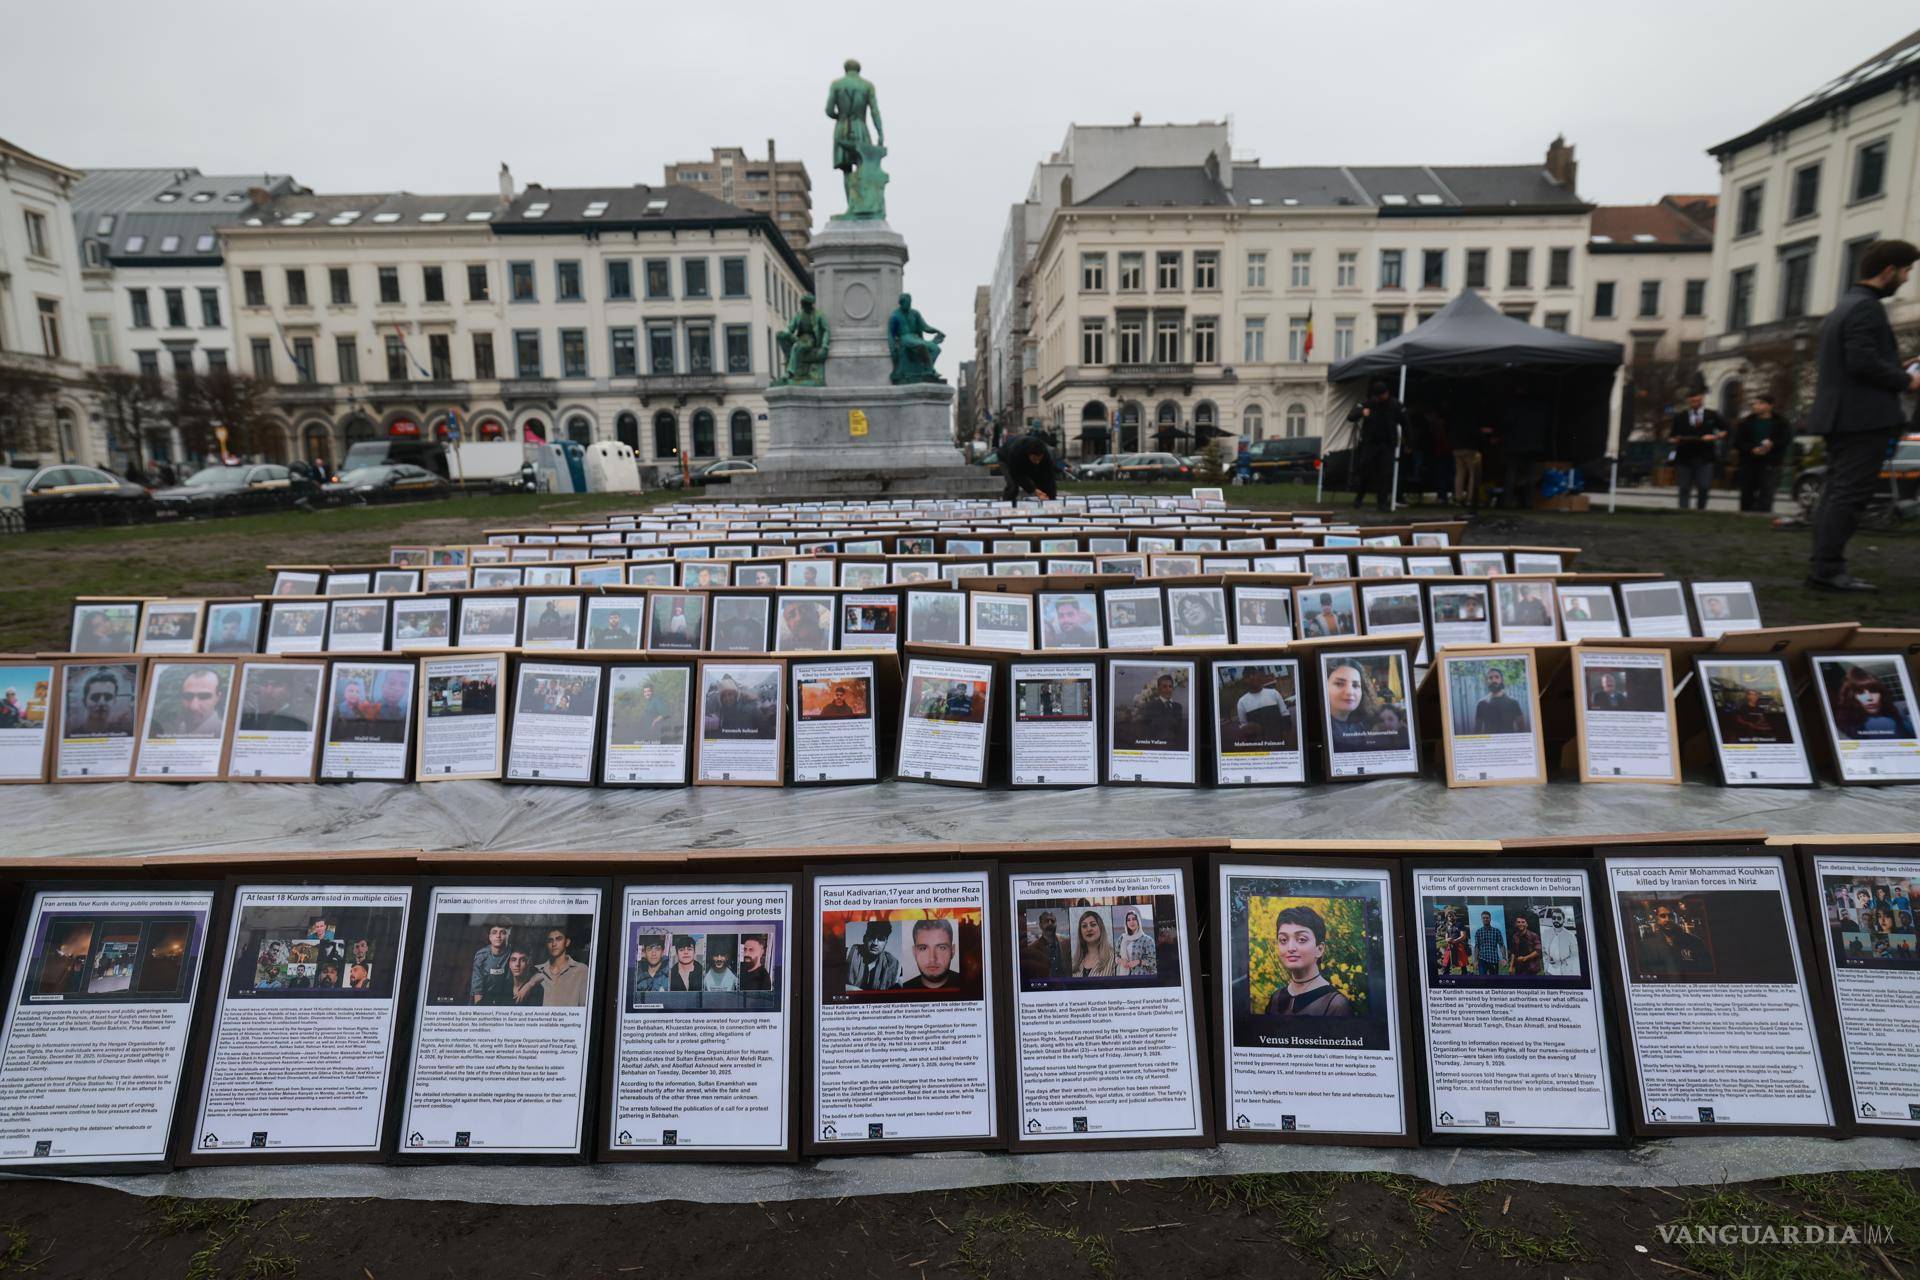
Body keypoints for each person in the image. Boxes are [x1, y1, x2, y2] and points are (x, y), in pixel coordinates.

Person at [1805, 240, 1920, 591]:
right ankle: (1828, 570)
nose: (1906, 278)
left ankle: (1824, 567)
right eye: (1906, 271)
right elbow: (1861, 362)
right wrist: (1907, 380)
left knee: (1837, 492)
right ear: (1888, 271)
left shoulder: (1845, 306)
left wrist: (1894, 369)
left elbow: (1854, 360)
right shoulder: (1866, 309)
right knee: (1849, 495)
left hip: (1843, 416)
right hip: (1862, 418)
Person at [1265, 905, 1354, 1016]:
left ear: (1320, 949)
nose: (1290, 948)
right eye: (1283, 940)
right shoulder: (1276, 998)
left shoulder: (1335, 1004)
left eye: (1301, 939)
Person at [1734, 392, 1794, 513]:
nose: (1756, 406)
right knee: (1747, 492)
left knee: (1767, 491)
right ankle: (1745, 515)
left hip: (1770, 462)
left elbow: (1785, 440)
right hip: (1749, 462)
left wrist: (1772, 445)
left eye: (1760, 403)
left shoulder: (1781, 423)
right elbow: (1738, 442)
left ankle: (1763, 516)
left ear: (1769, 406)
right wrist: (1752, 449)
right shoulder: (1746, 422)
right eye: (1755, 403)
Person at [1668, 391, 1728, 511]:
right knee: (1684, 487)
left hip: (1704, 456)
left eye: (1697, 400)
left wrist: (1714, 437)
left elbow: (1725, 430)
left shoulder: (1712, 415)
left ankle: (1701, 509)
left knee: (1704, 486)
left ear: (1702, 400)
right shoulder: (1680, 417)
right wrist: (1676, 440)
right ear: (1689, 401)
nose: (1695, 403)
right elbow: (1672, 436)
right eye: (1692, 400)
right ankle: (1683, 510)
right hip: (1684, 456)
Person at [1353, 380, 1403, 512]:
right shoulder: (1368, 404)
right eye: (1378, 396)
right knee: (1365, 472)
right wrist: (1362, 413)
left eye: (1383, 395)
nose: (1381, 398)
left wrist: (1408, 441)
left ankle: (1382, 503)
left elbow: (1405, 422)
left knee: (1385, 474)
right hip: (1370, 444)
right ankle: (1359, 498)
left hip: (1387, 445)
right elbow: (1351, 416)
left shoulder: (1394, 404)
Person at [1833, 666, 1914, 739]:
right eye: (1861, 693)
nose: (1869, 698)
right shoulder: (1845, 726)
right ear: (1851, 697)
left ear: (1882, 693)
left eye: (1873, 691)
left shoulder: (1898, 713)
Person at [1637, 904, 1708, 975]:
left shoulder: (1695, 942)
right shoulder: (1648, 945)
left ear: (1676, 918)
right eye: (1663, 916)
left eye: (1671, 916)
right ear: (1657, 919)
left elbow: (1705, 968)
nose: (1667, 919)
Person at [240, 667, 310, 732]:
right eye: (264, 684)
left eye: (276, 685)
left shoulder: (297, 723)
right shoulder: (245, 717)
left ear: (289, 690)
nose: (268, 691)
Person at [160, 667, 225, 736]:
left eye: (204, 697)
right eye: (188, 696)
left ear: (218, 697)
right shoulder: (182, 727)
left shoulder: (223, 733)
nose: (193, 706)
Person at [999, 432, 1060, 505]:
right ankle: (1006, 504)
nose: (1037, 462)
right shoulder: (1016, 452)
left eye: (1039, 459)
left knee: (1041, 481)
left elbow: (1049, 477)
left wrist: (1051, 498)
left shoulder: (1045, 455)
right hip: (1005, 458)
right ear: (1029, 454)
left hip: (1024, 460)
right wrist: (1033, 490)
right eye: (1035, 459)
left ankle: (1043, 505)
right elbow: (1017, 475)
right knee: (1013, 485)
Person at [537, 926, 590, 1006]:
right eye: (550, 941)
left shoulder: (582, 970)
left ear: (567, 942)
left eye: (558, 939)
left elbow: (584, 1006)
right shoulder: (537, 970)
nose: (554, 944)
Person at [900, 919, 958, 990]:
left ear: (952, 951)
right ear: (914, 952)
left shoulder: (969, 987)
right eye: (923, 948)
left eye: (941, 948)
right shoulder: (905, 988)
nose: (932, 958)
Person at [1235, 667, 1291, 740]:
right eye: (1247, 676)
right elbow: (1244, 726)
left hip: (1278, 742)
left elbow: (1285, 714)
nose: (1251, 677)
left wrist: (1286, 734)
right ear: (1244, 680)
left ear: (1259, 675)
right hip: (1259, 746)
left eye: (1253, 674)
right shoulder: (1241, 702)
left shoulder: (1274, 693)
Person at [845, 920, 901, 990]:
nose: (875, 943)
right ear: (865, 938)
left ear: (886, 942)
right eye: (872, 937)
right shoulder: (847, 954)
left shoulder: (894, 965)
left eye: (881, 939)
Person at [1471, 665, 1526, 735]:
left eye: (1497, 677)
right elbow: (1477, 730)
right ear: (1487, 681)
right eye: (1490, 678)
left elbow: (1522, 729)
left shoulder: (1513, 703)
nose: (1494, 680)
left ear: (1502, 680)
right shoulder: (1481, 704)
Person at [1136, 674, 1186, 748]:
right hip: (1157, 748)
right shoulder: (1151, 706)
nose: (1168, 690)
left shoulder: (1178, 707)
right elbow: (1149, 732)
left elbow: (1179, 731)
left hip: (1175, 748)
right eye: (1164, 686)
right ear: (1159, 689)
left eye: (1170, 686)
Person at [76, 668, 132, 734]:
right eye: (95, 697)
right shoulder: (72, 733)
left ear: (114, 700)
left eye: (108, 697)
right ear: (84, 701)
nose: (102, 702)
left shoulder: (123, 732)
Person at [470, 923, 513, 1005]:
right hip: (484, 999)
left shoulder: (514, 953)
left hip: (505, 999)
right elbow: (477, 988)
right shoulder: (481, 955)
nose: (498, 936)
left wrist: (527, 986)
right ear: (490, 937)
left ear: (508, 935)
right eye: (494, 932)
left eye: (502, 932)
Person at [1024, 912, 1071, 978]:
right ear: (1040, 925)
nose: (1050, 923)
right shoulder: (1032, 948)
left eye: (1052, 921)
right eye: (1046, 921)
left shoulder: (1067, 943)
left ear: (1056, 924)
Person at [1071, 910, 1115, 978]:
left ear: (1101, 928)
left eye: (1093, 925)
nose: (1088, 929)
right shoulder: (1074, 961)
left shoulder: (1114, 957)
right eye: (1084, 926)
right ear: (1080, 932)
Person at [1114, 910, 1156, 977]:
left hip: (1141, 977)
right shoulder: (1122, 938)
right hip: (1122, 976)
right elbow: (1114, 955)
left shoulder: (1147, 940)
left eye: (1134, 919)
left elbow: (1153, 961)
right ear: (1126, 923)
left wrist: (1138, 962)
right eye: (1128, 920)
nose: (1131, 922)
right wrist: (1120, 961)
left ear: (1138, 921)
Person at [1540, 909, 1579, 976]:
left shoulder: (1570, 936)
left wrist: (1561, 962)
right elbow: (1542, 949)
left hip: (1564, 972)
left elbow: (1575, 955)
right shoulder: (1546, 933)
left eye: (1559, 918)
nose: (1556, 920)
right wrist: (1547, 957)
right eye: (1554, 918)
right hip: (1548, 971)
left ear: (1563, 920)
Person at [1473, 910, 1507, 975]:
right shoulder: (1478, 932)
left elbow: (1501, 945)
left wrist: (1504, 958)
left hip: (1494, 959)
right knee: (1483, 980)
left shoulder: (1496, 931)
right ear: (1481, 919)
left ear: (1490, 919)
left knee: (1494, 981)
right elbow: (1477, 947)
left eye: (1487, 918)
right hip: (1482, 959)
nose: (1485, 919)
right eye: (1484, 918)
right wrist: (1475, 960)